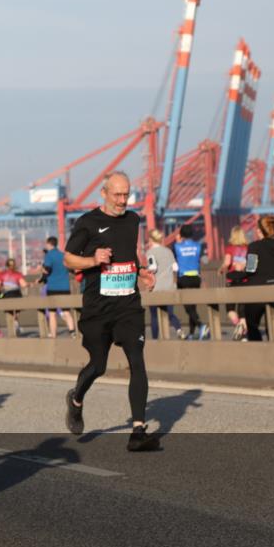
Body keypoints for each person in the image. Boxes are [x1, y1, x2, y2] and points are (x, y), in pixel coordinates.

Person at [62, 171, 159, 452]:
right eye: (117, 195)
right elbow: (68, 259)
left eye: (126, 194)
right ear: (103, 193)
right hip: (98, 307)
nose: (122, 200)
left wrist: (141, 271)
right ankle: (76, 399)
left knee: (137, 361)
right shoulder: (87, 222)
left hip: (128, 305)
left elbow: (130, 252)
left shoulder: (133, 220)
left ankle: (138, 431)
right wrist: (93, 259)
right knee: (98, 365)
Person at [242, 215, 274, 342]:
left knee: (252, 325)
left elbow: (250, 269)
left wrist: (238, 274)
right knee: (273, 328)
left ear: (259, 231)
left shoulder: (254, 247)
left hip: (258, 291)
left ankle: (259, 351)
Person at [145, 229, 184, 340]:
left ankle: (155, 339)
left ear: (151, 240)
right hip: (169, 287)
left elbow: (153, 267)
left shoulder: (150, 252)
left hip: (155, 288)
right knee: (170, 313)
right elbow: (175, 268)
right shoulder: (168, 251)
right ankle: (179, 330)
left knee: (154, 316)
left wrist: (146, 271)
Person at [173, 224, 208, 340]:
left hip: (183, 278)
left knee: (188, 307)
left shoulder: (176, 246)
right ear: (192, 233)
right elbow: (205, 261)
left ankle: (201, 325)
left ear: (181, 234)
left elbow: (173, 262)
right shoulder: (198, 245)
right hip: (195, 278)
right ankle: (192, 334)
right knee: (192, 306)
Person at [219, 226, 250, 340]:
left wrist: (221, 269)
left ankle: (238, 325)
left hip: (232, 281)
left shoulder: (230, 248)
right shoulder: (248, 248)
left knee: (230, 309)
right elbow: (250, 265)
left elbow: (227, 263)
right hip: (244, 281)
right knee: (242, 310)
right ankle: (243, 332)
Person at [42, 237, 76, 338]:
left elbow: (47, 269)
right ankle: (72, 332)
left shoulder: (49, 255)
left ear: (48, 244)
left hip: (53, 287)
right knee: (66, 311)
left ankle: (53, 335)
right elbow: (71, 269)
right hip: (65, 287)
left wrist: (42, 275)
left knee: (52, 313)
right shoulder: (63, 255)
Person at [0, 257, 28, 336]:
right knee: (16, 313)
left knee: (9, 314)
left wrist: (2, 287)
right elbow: (23, 284)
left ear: (6, 265)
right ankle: (16, 323)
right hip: (16, 294)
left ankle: (11, 330)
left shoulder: (2, 274)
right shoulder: (17, 274)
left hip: (7, 295)